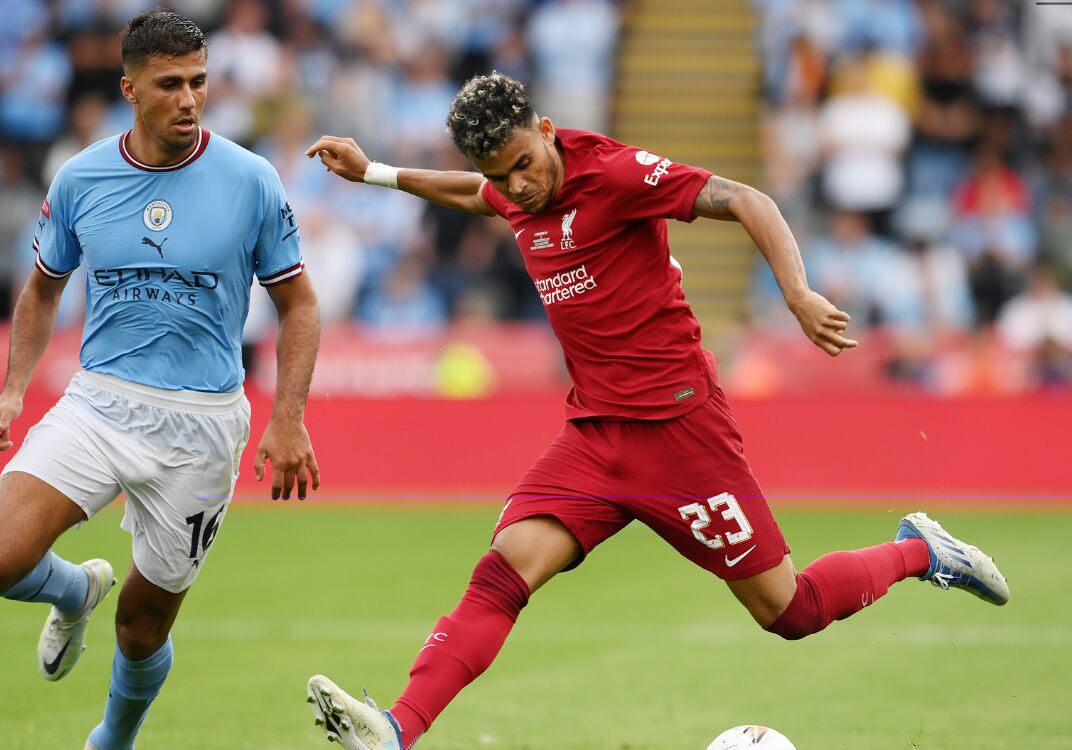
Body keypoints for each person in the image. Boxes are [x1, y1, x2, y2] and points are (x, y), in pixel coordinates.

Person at [300, 73, 1009, 750]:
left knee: (790, 611)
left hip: (681, 434)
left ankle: (922, 550)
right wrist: (377, 174)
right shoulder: (512, 188)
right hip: (594, 435)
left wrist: (796, 294)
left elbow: (746, 198)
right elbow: (475, 192)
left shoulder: (614, 174)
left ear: (546, 130)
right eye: (501, 174)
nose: (516, 186)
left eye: (522, 165)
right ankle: (397, 728)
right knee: (504, 570)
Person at [0, 11, 321, 750]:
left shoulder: (251, 180)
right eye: (169, 84)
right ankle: (74, 589)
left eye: (198, 81)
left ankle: (113, 741)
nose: (189, 99)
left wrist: (288, 417)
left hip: (203, 427)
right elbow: (41, 289)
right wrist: (13, 387)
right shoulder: (81, 177)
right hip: (100, 404)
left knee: (141, 626)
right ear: (129, 89)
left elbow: (300, 305)